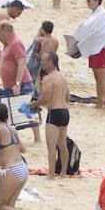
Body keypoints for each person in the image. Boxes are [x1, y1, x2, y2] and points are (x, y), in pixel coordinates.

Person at [74, 0, 105, 111]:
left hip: (100, 48)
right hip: (93, 47)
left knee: (102, 77)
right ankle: (100, 103)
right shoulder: (95, 13)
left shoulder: (103, 14)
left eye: (89, 0)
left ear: (97, 1)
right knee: (97, 78)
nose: (88, 3)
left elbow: (101, 33)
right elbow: (89, 29)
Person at [35, 48, 70, 178]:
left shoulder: (48, 79)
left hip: (54, 112)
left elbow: (45, 98)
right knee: (62, 144)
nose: (41, 63)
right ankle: (63, 173)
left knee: (51, 146)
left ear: (51, 62)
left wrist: (33, 105)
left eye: (44, 61)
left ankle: (51, 175)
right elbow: (68, 97)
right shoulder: (62, 77)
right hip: (65, 112)